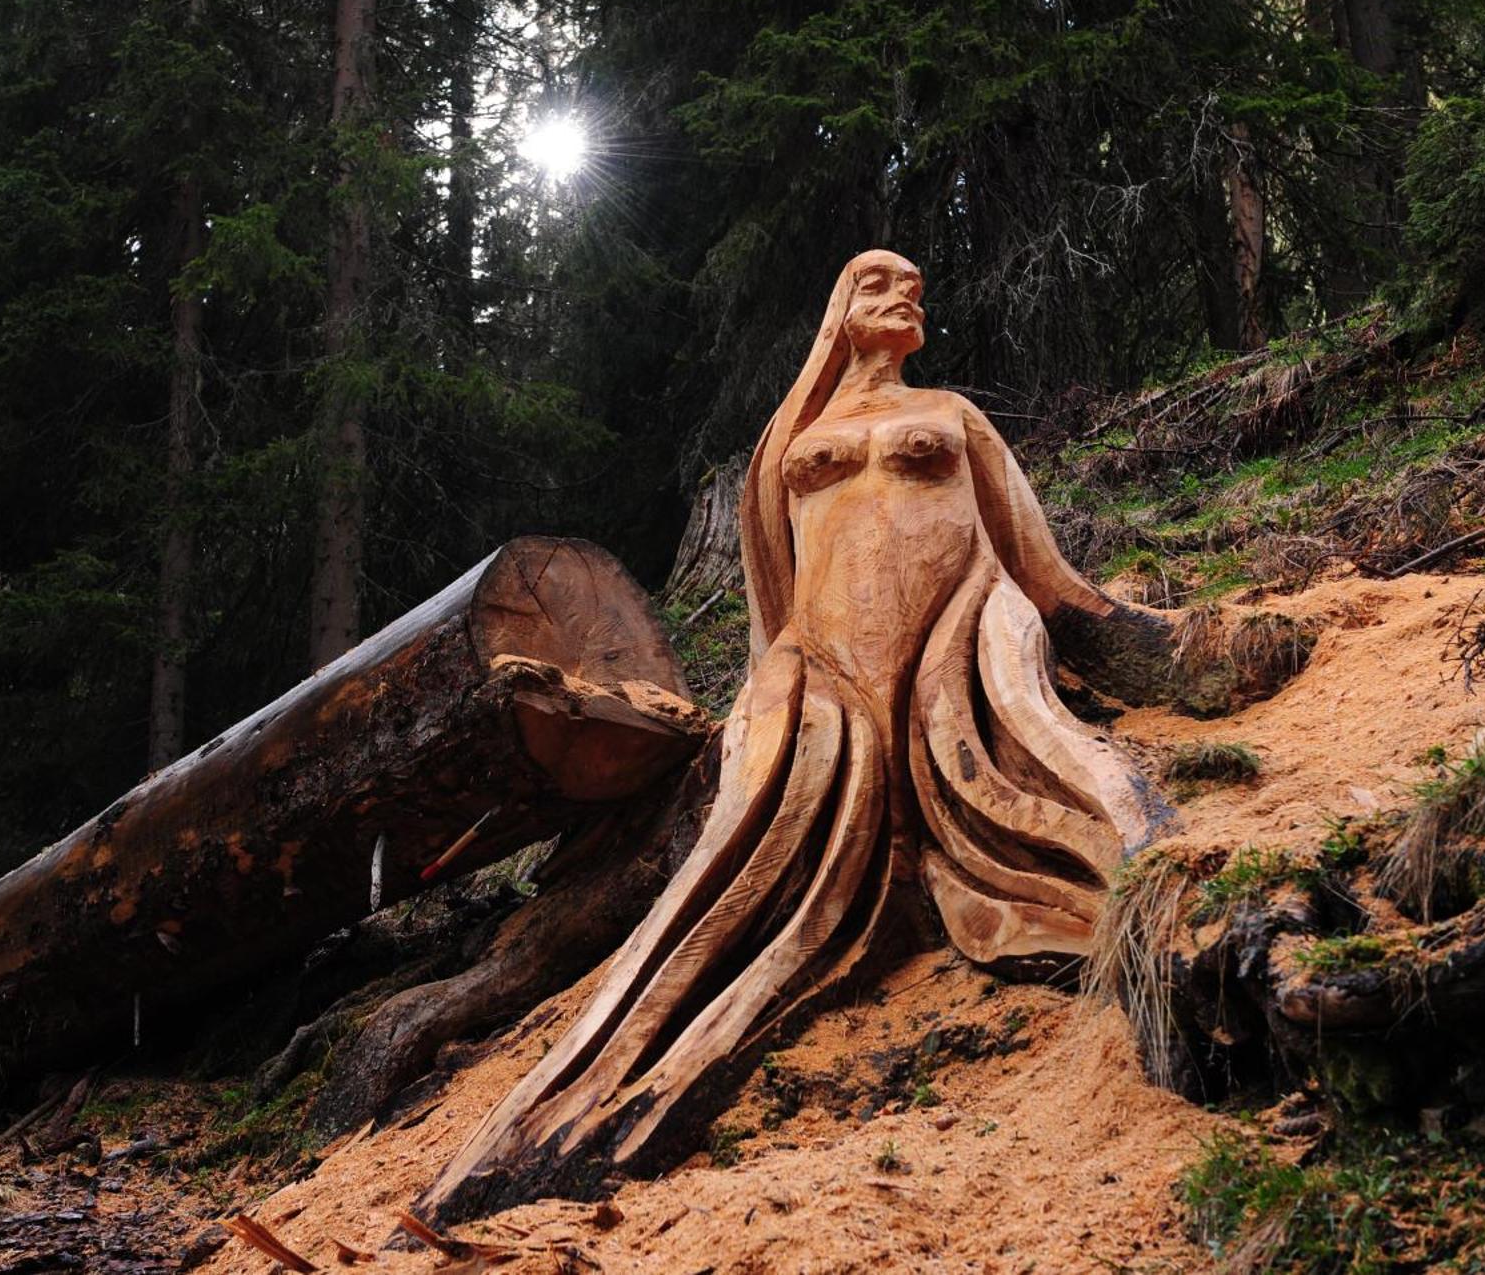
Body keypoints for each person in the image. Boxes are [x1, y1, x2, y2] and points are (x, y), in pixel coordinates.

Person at [420, 249, 1172, 1220]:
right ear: (838, 311)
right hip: (824, 690)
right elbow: (770, 598)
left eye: (914, 287)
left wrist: (1150, 646)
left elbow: (1040, 566)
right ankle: (550, 1135)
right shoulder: (788, 441)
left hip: (959, 647)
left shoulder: (952, 416)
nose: (904, 295)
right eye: (876, 283)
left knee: (1079, 815)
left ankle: (1147, 924)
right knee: (722, 911)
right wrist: (766, 705)